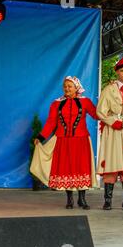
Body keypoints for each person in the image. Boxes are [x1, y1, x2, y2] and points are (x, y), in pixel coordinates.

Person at [31, 76, 98, 209]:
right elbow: (51, 123)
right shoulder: (56, 103)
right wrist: (41, 137)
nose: (67, 88)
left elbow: (97, 115)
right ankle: (69, 199)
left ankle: (82, 199)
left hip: (81, 139)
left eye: (70, 86)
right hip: (63, 140)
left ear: (76, 88)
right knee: (67, 169)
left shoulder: (85, 102)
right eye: (65, 86)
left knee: (81, 167)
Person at [97, 56, 123, 210]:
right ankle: (108, 200)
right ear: (117, 73)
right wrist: (116, 122)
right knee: (112, 163)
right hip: (113, 131)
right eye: (122, 71)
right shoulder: (109, 89)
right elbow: (100, 111)